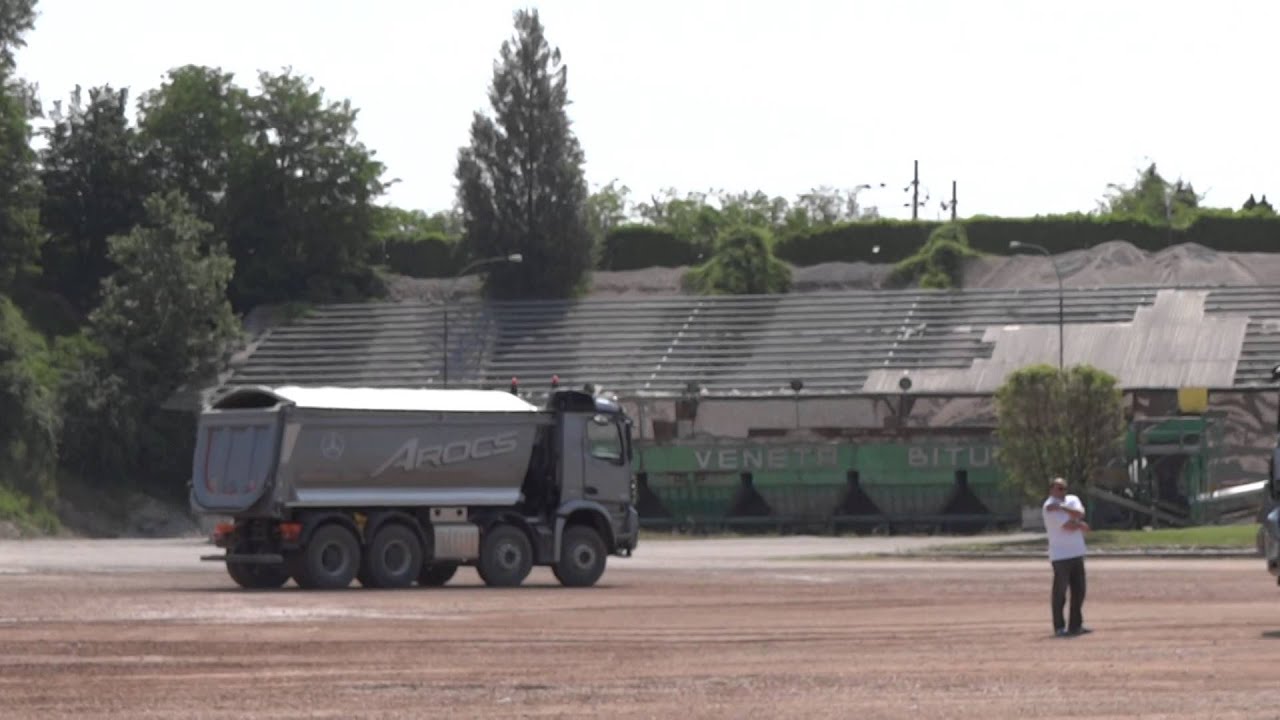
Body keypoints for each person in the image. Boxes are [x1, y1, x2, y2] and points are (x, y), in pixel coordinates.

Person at [1042, 477, 1091, 637]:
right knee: (1060, 592)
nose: (1062, 492)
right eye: (1058, 489)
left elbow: (1080, 513)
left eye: (1064, 488)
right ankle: (1059, 626)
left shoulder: (1071, 500)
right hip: (1060, 555)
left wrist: (1062, 507)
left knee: (1079, 591)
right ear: (1051, 490)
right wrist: (1079, 524)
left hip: (1077, 552)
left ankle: (1075, 625)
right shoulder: (1048, 506)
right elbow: (1068, 526)